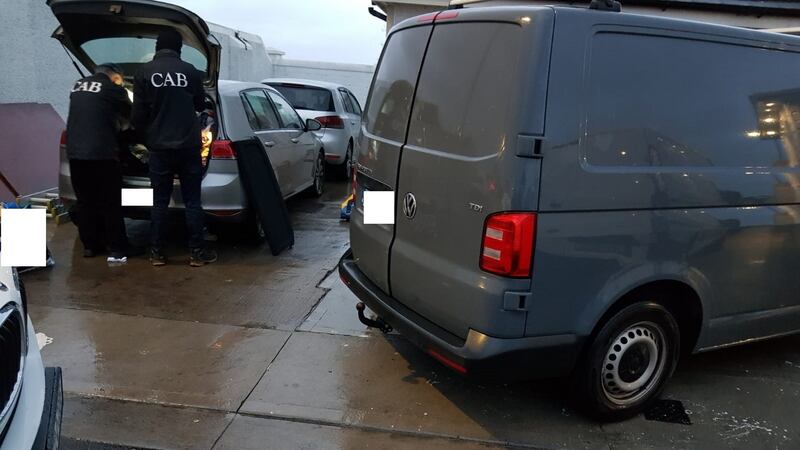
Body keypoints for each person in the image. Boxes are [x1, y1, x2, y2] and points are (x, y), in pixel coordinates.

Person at [132, 29, 217, 267]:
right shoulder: (190, 71)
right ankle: (197, 253)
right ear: (179, 48)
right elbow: (201, 104)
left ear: (158, 47)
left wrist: (147, 137)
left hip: (159, 147)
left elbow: (137, 116)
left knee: (159, 201)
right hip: (188, 146)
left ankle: (157, 253)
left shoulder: (144, 72)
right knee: (192, 201)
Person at [65, 63, 136, 265]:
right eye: (120, 79)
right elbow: (132, 114)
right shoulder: (113, 89)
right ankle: (118, 247)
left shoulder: (77, 85)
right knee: (110, 202)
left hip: (76, 153)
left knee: (85, 201)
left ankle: (90, 246)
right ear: (115, 77)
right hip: (102, 154)